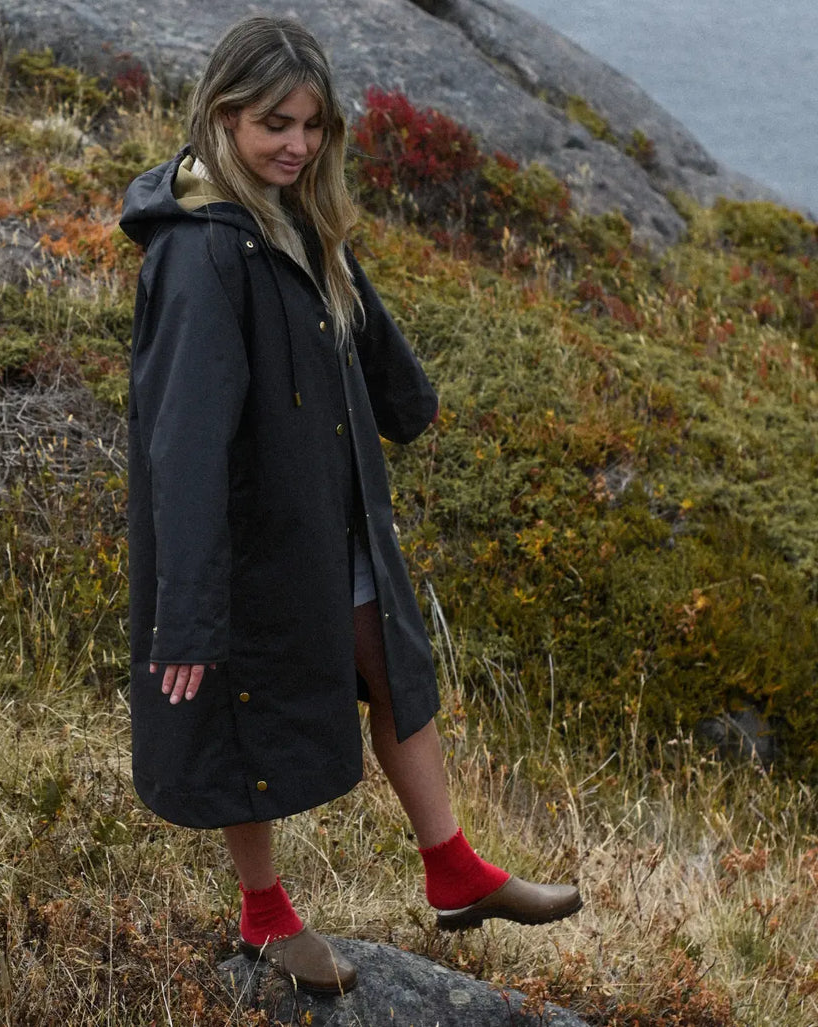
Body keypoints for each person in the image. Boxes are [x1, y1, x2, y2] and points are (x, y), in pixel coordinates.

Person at [119, 15, 581, 995]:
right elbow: (183, 442)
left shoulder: (291, 213)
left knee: (393, 669)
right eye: (273, 125)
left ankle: (453, 868)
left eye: (312, 125)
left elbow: (351, 311)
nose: (296, 144)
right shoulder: (199, 255)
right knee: (241, 709)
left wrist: (407, 399)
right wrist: (189, 611)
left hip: (331, 509)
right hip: (252, 531)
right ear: (223, 116)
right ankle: (264, 916)